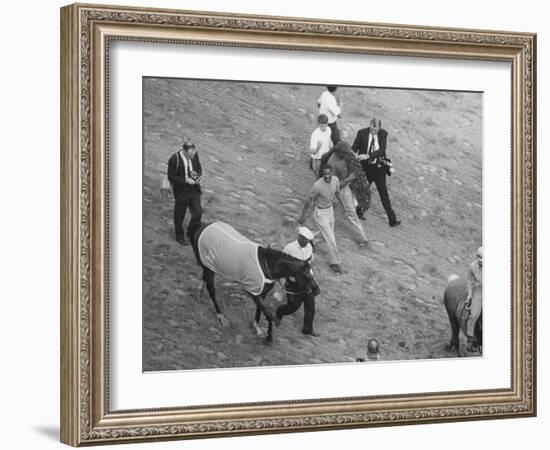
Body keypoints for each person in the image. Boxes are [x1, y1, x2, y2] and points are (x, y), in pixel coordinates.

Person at [352, 118, 401, 227]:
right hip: (366, 168)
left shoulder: (383, 134)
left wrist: (368, 156)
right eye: (372, 128)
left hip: (379, 169)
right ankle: (359, 211)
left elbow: (382, 150)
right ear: (370, 125)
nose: (373, 131)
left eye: (375, 129)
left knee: (384, 194)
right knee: (363, 191)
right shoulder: (361, 133)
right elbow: (354, 147)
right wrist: (353, 154)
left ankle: (392, 220)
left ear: (379, 128)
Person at [322, 141, 369, 247]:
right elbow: (334, 185)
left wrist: (358, 158)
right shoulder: (331, 164)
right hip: (340, 189)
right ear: (340, 153)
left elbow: (353, 156)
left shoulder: (344, 155)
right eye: (346, 153)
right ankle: (361, 238)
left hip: (346, 185)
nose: (348, 155)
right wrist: (349, 178)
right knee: (350, 213)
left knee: (350, 210)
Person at [298, 164, 343, 274]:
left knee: (328, 234)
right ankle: (335, 262)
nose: (327, 176)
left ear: (332, 173)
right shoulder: (317, 185)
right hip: (320, 213)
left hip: (330, 211)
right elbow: (309, 200)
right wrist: (303, 215)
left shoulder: (336, 180)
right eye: (325, 174)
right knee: (331, 239)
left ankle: (311, 240)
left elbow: (337, 193)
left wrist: (342, 205)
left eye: (329, 174)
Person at [275, 227, 319, 337]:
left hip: (307, 282)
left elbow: (310, 262)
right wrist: (288, 278)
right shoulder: (289, 248)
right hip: (293, 283)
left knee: (310, 306)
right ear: (300, 237)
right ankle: (279, 312)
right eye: (305, 240)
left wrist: (312, 277)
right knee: (293, 306)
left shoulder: (309, 247)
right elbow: (281, 265)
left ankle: (307, 329)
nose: (306, 243)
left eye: (308, 241)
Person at [167, 141, 203, 246]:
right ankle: (179, 236)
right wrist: (186, 180)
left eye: (194, 152)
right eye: (191, 153)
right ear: (184, 151)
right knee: (179, 214)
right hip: (182, 190)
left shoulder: (194, 155)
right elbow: (171, 176)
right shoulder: (174, 159)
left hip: (194, 189)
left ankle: (191, 232)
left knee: (198, 211)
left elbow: (199, 167)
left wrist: (199, 176)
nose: (193, 154)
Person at [465, 246, 483, 341]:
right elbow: (468, 280)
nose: (481, 262)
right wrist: (470, 294)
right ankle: (470, 337)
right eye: (479, 260)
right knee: (474, 315)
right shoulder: (472, 266)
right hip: (478, 290)